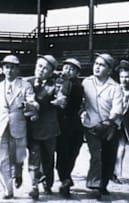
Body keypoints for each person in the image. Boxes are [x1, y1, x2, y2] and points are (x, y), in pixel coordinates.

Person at [0, 55, 36, 199]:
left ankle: (18, 173)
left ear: (18, 70)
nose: (9, 70)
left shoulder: (25, 85)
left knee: (18, 157)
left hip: (18, 125)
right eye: (7, 67)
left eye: (13, 67)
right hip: (0, 127)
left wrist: (28, 105)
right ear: (3, 69)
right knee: (0, 160)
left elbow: (33, 102)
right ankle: (8, 189)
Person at [80, 53, 123, 199]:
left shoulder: (115, 87)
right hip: (91, 125)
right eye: (96, 64)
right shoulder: (86, 82)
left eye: (102, 65)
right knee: (96, 155)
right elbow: (80, 101)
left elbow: (117, 108)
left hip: (110, 126)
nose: (97, 67)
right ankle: (94, 185)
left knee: (109, 157)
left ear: (110, 70)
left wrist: (108, 122)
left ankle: (102, 185)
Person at [26, 54, 66, 200]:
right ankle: (33, 185)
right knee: (34, 156)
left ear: (51, 72)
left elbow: (61, 97)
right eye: (39, 66)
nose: (41, 70)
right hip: (31, 127)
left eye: (45, 68)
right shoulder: (27, 82)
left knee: (48, 157)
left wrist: (60, 100)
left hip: (49, 128)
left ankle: (47, 182)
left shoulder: (54, 85)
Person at [55, 58, 84, 198]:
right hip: (66, 122)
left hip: (69, 121)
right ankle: (65, 178)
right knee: (66, 152)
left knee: (69, 152)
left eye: (72, 69)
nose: (67, 70)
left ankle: (65, 177)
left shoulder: (72, 84)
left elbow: (63, 100)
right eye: (65, 67)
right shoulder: (65, 82)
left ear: (77, 73)